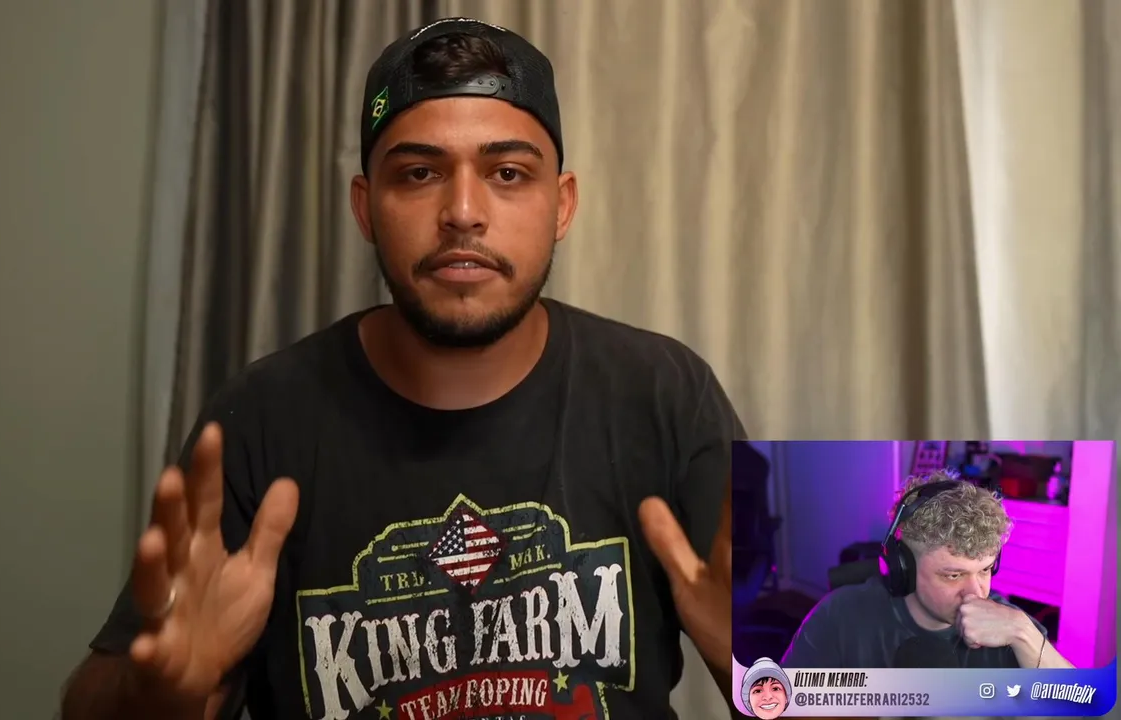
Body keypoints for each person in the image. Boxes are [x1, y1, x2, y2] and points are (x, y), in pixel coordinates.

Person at [60, 17, 743, 720]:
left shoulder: (674, 389)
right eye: (419, 173)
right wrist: (157, 693)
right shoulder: (258, 416)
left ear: (561, 204)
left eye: (508, 173)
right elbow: (93, 700)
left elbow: (820, 684)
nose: (463, 213)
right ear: (365, 208)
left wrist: (782, 669)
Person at [780, 470, 1075, 670]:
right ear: (902, 568)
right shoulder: (840, 616)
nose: (976, 594)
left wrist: (1024, 634)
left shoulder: (1012, 629)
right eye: (953, 575)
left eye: (985, 570)